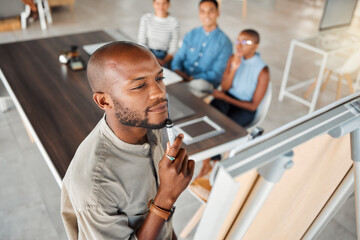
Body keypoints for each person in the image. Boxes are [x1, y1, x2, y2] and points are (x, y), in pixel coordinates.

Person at [61, 41, 195, 240]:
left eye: (160, 77)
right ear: (104, 101)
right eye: (139, 85)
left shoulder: (148, 122)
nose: (159, 91)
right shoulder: (95, 186)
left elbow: (163, 225)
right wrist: (166, 195)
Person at [195, 29, 270, 179]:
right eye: (238, 40)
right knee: (209, 119)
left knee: (222, 128)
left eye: (246, 42)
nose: (239, 45)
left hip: (244, 107)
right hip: (227, 97)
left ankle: (211, 164)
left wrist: (224, 97)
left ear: (255, 46)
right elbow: (226, 87)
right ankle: (210, 162)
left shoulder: (263, 70)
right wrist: (234, 69)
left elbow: (253, 106)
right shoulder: (233, 59)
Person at [171, 0, 232, 95]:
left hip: (203, 83)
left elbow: (216, 74)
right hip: (181, 75)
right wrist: (177, 70)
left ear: (218, 13)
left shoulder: (225, 43)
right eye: (202, 11)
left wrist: (190, 79)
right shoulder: (191, 34)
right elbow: (178, 57)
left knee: (190, 91)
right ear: (199, 14)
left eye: (210, 11)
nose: (206, 15)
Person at [138, 0, 180, 67]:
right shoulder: (146, 18)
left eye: (164, 3)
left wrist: (164, 61)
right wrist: (154, 59)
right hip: (147, 53)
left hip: (165, 56)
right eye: (158, 3)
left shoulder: (174, 22)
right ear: (153, 4)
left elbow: (173, 48)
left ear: (168, 4)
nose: (161, 6)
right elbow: (141, 42)